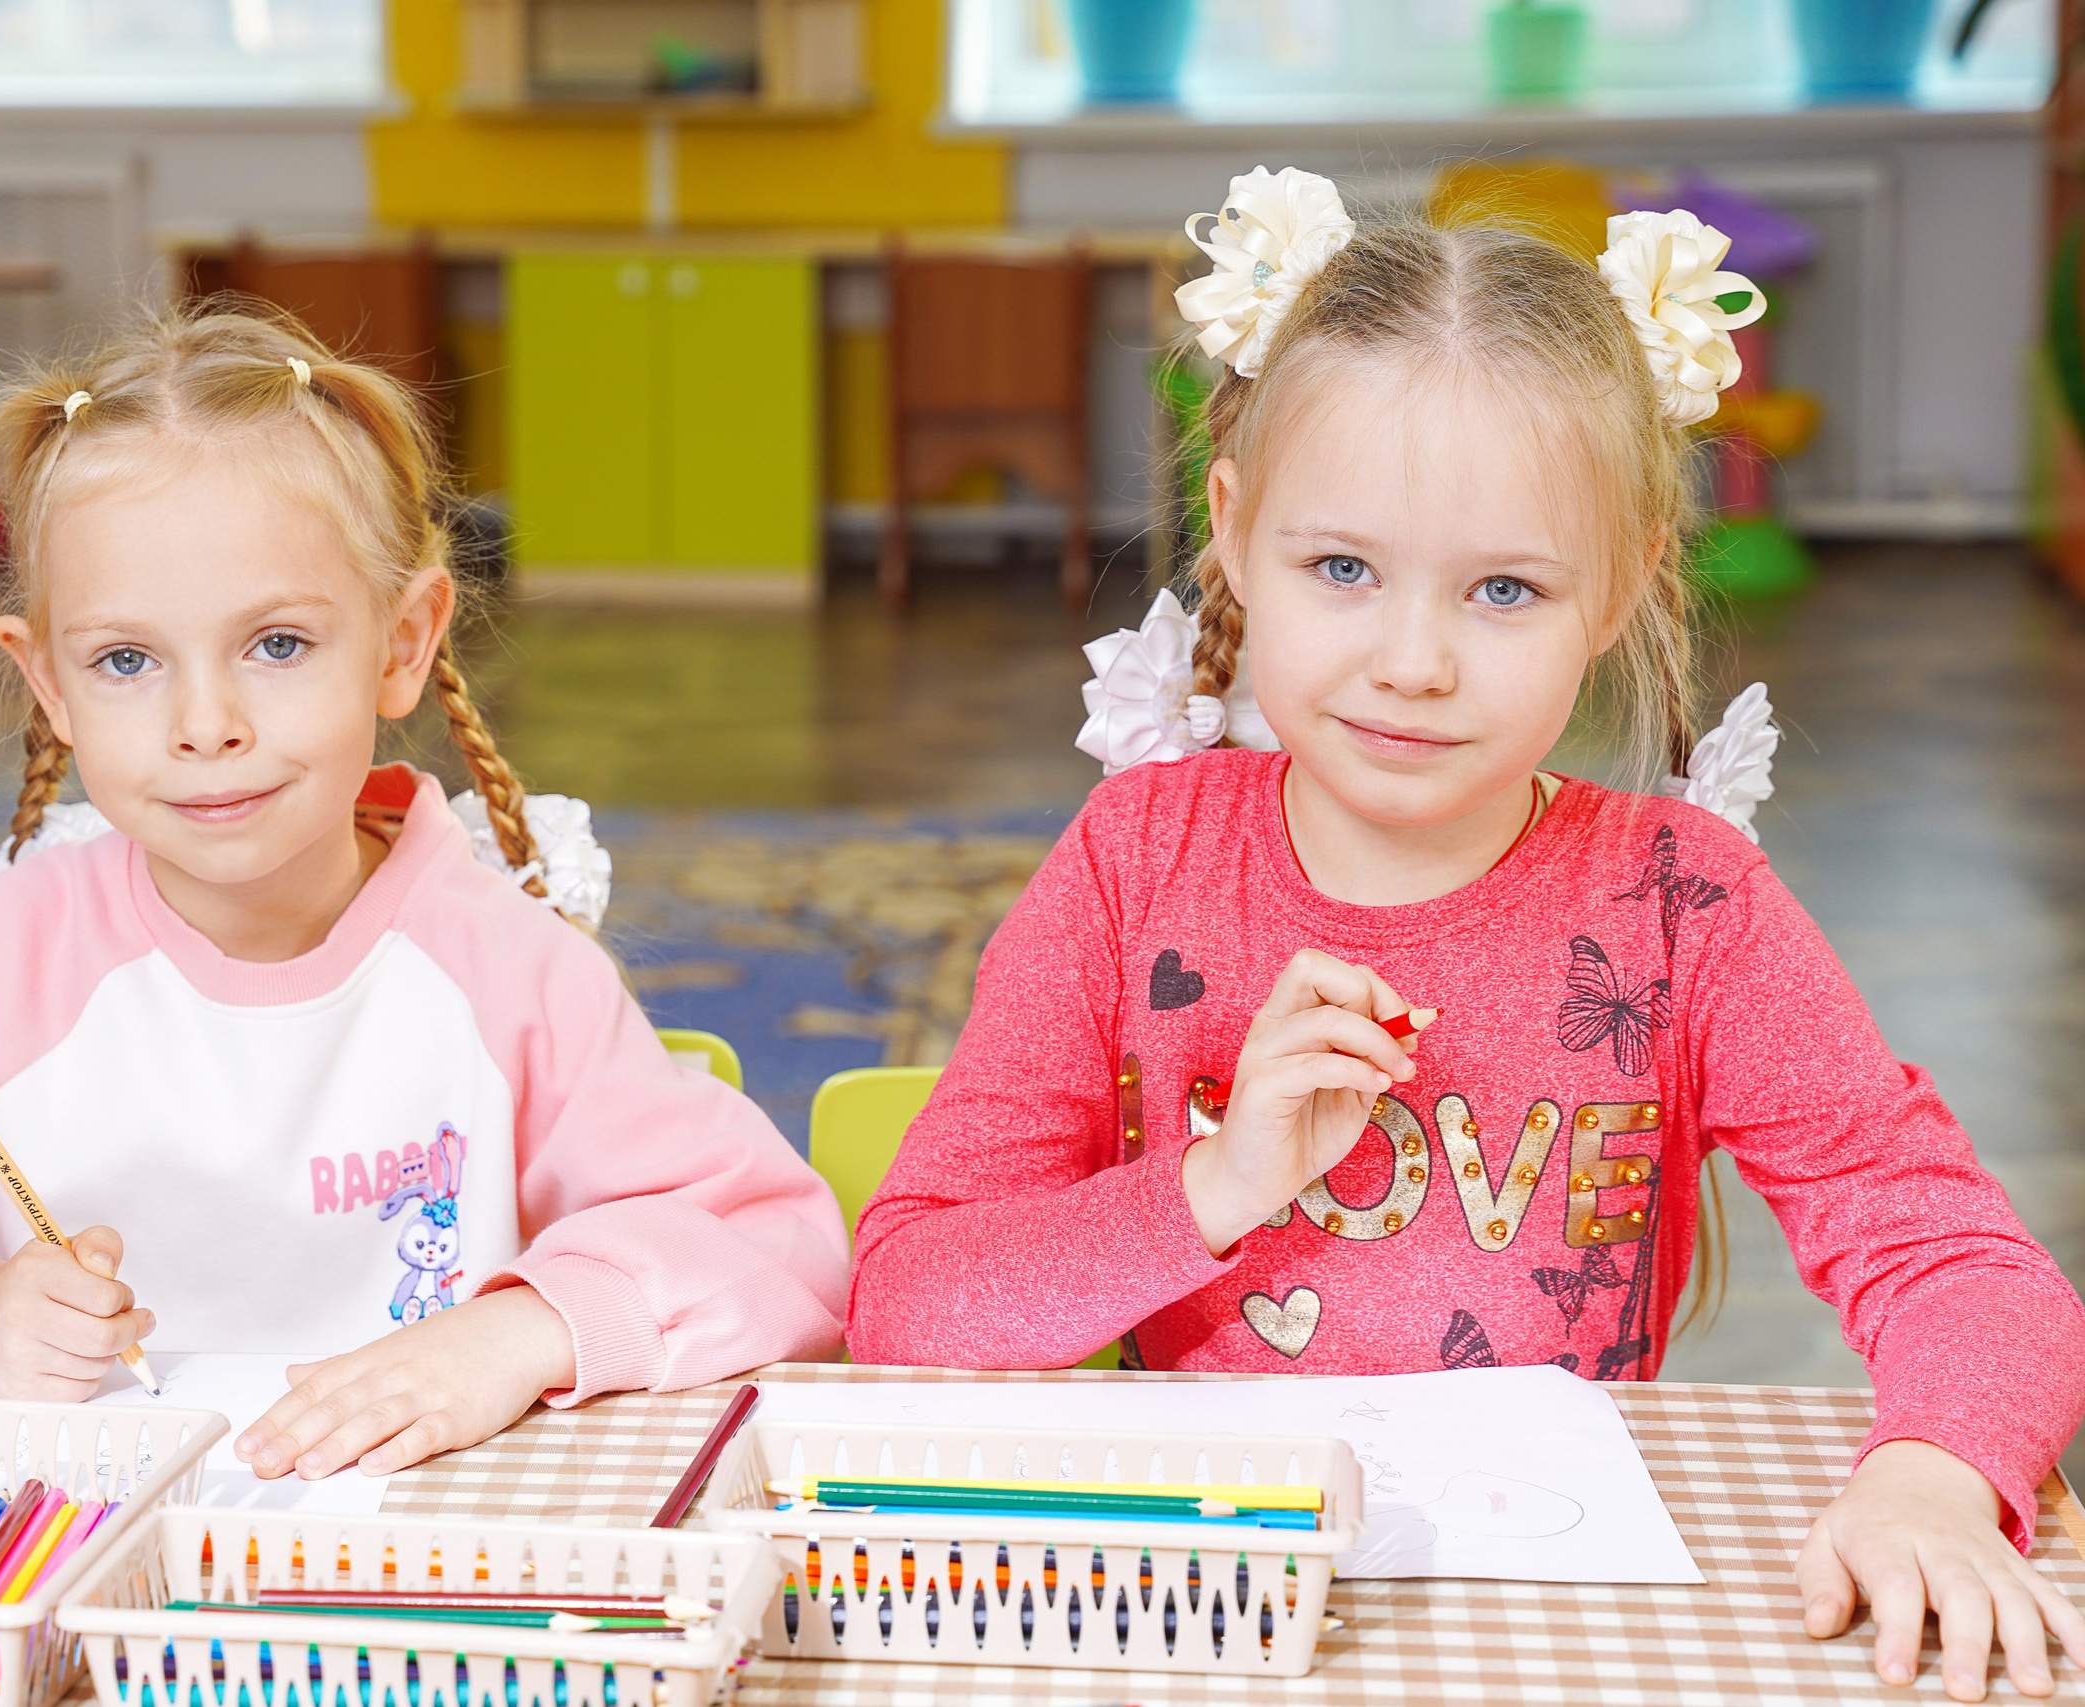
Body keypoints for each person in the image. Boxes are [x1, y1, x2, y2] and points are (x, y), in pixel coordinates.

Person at [846, 167, 2085, 1702]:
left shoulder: (1681, 903)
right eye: (1343, 568)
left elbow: (1963, 1260)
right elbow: (908, 1298)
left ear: (1625, 582)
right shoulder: (1133, 863)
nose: (1413, 661)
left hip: (1552, 1635)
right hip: (1212, 1631)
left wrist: (1935, 1473)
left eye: (1504, 587)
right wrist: (1218, 1181)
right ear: (1232, 531)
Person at [0, 305, 848, 1483]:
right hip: (73, 1566)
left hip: (405, 1573)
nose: (204, 726)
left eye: (276, 644)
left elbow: (779, 1245)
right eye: (125, 661)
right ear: (46, 684)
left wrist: (513, 1335)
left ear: (402, 642)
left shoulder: (510, 970)